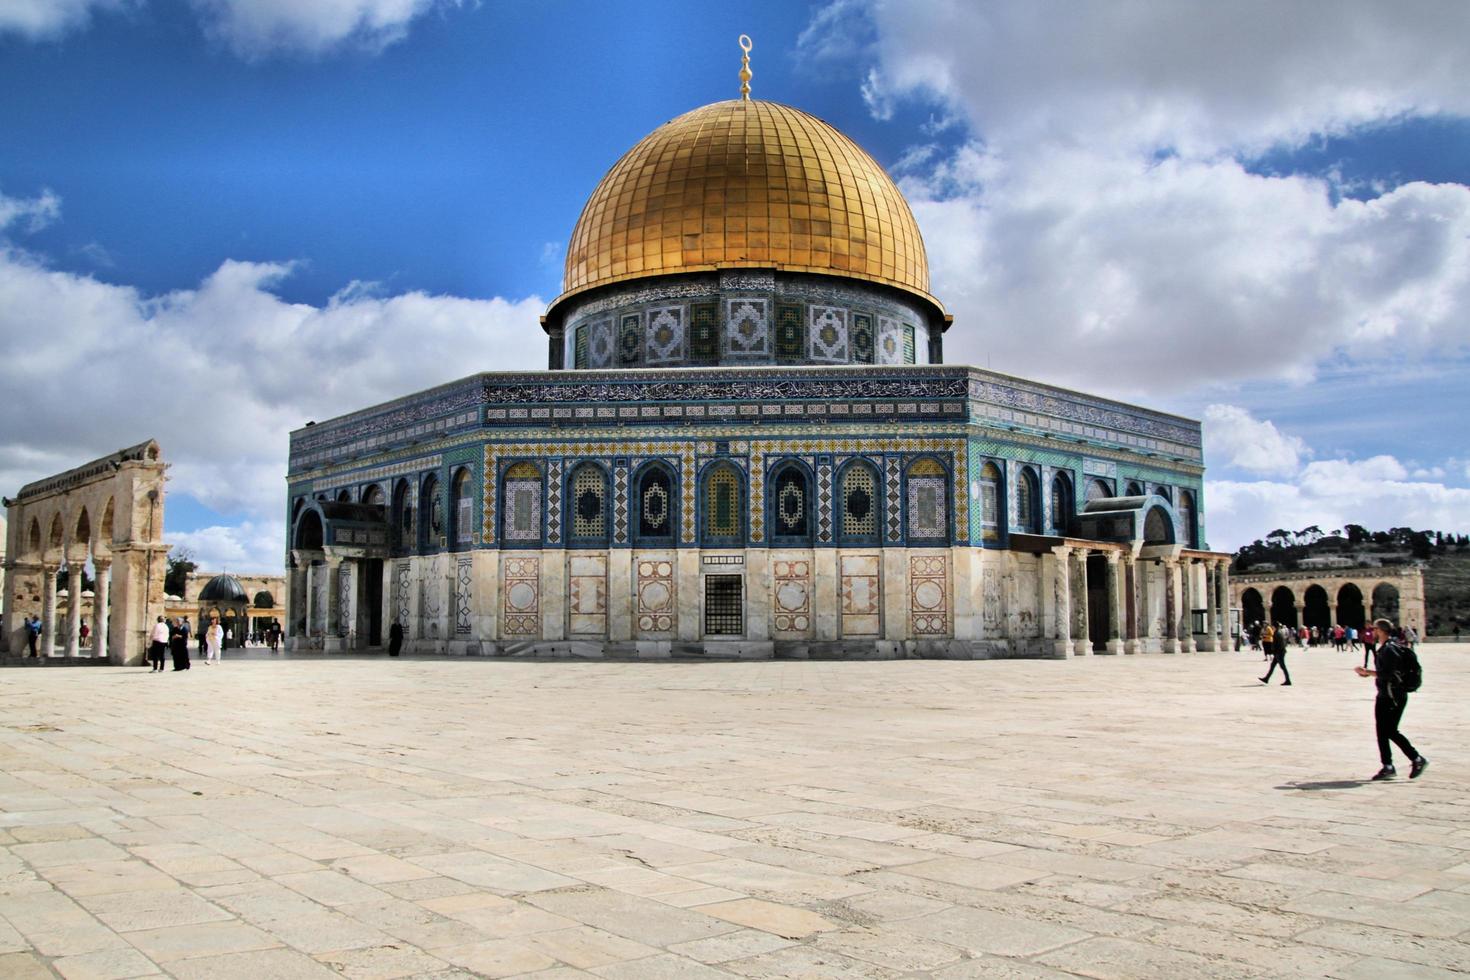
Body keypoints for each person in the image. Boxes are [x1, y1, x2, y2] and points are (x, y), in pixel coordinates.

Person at [1354, 618, 1427, 780]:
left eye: (1374, 629)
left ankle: (1417, 758)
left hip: (1393, 696)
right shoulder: (1388, 647)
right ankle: (1387, 766)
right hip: (1386, 694)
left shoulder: (1389, 649)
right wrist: (1370, 674)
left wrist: (1368, 672)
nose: (1372, 632)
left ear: (1380, 630)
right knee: (1382, 731)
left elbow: (1391, 675)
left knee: (1390, 731)